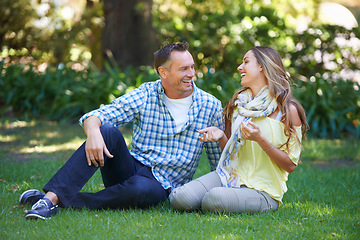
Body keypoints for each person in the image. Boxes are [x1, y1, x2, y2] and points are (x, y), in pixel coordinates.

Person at [19, 42, 224, 219]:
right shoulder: (147, 93)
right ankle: (50, 201)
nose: (191, 74)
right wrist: (93, 134)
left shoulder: (210, 105)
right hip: (130, 168)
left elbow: (220, 163)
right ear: (163, 72)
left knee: (142, 188)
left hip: (162, 186)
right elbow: (97, 115)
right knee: (106, 130)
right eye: (183, 69)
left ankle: (50, 200)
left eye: (192, 67)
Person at [169, 46, 308, 214]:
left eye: (246, 62)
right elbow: (233, 153)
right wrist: (221, 137)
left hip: (263, 191)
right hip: (229, 177)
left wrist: (261, 140)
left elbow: (290, 165)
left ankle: (240, 200)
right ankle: (225, 197)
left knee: (214, 199)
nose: (239, 67)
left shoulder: (287, 110)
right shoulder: (240, 104)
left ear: (262, 66)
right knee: (180, 198)